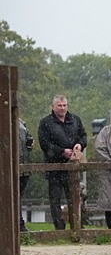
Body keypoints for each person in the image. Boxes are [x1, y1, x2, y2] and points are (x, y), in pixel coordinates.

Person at [37, 95, 88, 230]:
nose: (62, 108)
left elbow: (83, 136)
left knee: (74, 197)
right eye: (59, 105)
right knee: (55, 200)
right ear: (53, 107)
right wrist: (61, 151)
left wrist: (79, 145)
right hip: (54, 167)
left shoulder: (75, 120)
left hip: (72, 166)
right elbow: (44, 143)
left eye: (64, 105)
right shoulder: (45, 123)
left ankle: (76, 227)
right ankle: (59, 228)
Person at [17, 117, 33, 232]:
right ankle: (18, 223)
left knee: (18, 196)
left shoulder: (21, 121)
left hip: (24, 165)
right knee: (11, 196)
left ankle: (19, 223)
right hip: (9, 166)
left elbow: (28, 140)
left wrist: (30, 143)